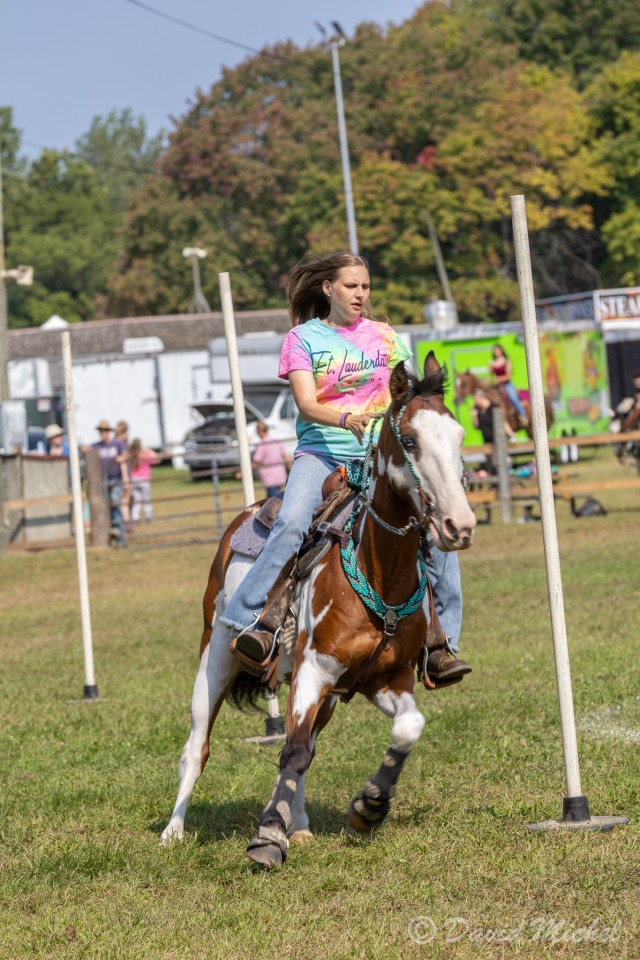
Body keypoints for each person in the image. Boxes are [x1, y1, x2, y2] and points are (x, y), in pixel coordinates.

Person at [221, 251, 470, 685]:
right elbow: (306, 404)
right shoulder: (302, 338)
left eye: (365, 286)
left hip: (379, 458)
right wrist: (345, 418)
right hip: (321, 454)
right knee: (293, 521)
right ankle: (250, 621)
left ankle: (441, 644)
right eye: (351, 286)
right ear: (328, 288)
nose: (360, 294)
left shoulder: (385, 336)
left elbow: (407, 395)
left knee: (433, 531)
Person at [91, 420, 129, 546]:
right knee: (105, 506)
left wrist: (120, 458)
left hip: (116, 478)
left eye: (105, 431)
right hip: (103, 480)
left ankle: (120, 535)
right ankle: (111, 533)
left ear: (109, 432)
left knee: (115, 501)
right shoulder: (97, 446)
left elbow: (125, 455)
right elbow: (87, 452)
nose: (103, 433)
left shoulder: (117, 444)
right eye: (101, 431)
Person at [472, 388, 516, 473]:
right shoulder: (479, 411)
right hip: (487, 440)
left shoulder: (493, 407)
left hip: (497, 440)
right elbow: (476, 427)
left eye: (475, 399)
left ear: (481, 397)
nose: (475, 402)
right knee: (490, 464)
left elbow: (503, 422)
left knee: (499, 462)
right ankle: (495, 480)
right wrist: (474, 416)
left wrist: (511, 433)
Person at [490, 344, 528, 423]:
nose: (496, 352)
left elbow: (509, 376)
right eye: (494, 351)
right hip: (497, 386)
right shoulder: (492, 363)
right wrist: (491, 383)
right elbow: (490, 376)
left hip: (506, 384)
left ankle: (523, 415)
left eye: (497, 350)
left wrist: (499, 379)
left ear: (501, 351)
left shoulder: (506, 361)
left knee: (513, 397)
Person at [252, 422, 291, 497]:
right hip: (280, 475)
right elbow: (286, 456)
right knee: (276, 498)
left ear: (259, 431)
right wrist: (290, 466)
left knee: (272, 500)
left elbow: (256, 461)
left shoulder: (262, 444)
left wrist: (243, 472)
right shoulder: (276, 441)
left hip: (270, 478)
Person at [128, 438, 160, 522]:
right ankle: (148, 516)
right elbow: (157, 460)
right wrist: (150, 451)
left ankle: (135, 517)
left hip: (134, 479)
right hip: (144, 479)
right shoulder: (144, 455)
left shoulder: (131, 456)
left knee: (136, 499)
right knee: (147, 498)